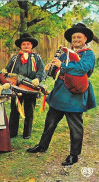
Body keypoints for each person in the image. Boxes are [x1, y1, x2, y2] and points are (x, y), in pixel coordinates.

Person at [27, 23, 96, 166]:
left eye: (79, 37)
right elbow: (57, 72)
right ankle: (42, 146)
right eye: (74, 37)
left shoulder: (88, 54)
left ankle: (74, 155)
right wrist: (50, 69)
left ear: (85, 39)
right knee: (50, 122)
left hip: (76, 93)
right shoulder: (65, 53)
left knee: (75, 126)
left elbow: (82, 69)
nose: (76, 39)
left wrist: (62, 65)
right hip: (60, 92)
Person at [1, 33, 45, 139]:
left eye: (28, 44)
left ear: (31, 46)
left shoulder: (36, 57)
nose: (26, 46)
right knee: (15, 110)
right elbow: (8, 69)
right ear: (20, 46)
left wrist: (37, 79)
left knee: (29, 111)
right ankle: (12, 132)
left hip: (30, 87)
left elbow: (41, 70)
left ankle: (27, 133)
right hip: (17, 87)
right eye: (24, 44)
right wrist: (5, 71)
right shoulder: (15, 58)